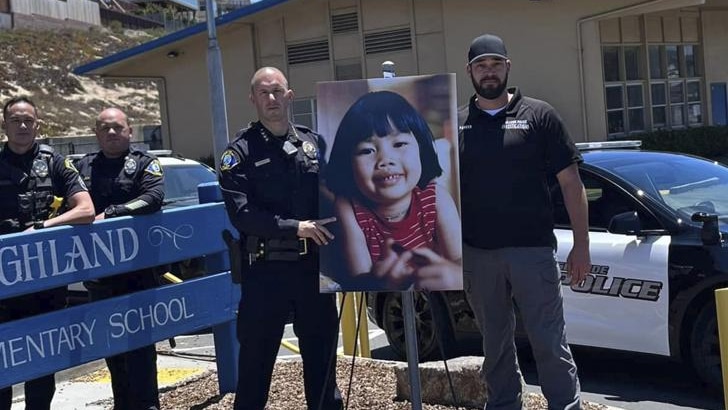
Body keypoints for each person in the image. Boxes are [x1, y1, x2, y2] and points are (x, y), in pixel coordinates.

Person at [459, 34, 591, 410]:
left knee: (548, 340)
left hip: (532, 252)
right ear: (470, 71)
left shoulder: (540, 116)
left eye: (495, 64)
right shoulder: (455, 124)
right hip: (478, 254)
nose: (489, 72)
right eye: (481, 66)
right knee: (495, 346)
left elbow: (571, 183)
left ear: (508, 67)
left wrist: (581, 246)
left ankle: (565, 405)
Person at [218, 66, 343, 410]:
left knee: (322, 366)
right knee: (256, 368)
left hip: (313, 269)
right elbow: (242, 215)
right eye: (263, 93)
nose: (271, 99)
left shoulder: (313, 143)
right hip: (265, 272)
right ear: (253, 100)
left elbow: (336, 196)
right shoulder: (239, 153)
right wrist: (295, 227)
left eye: (277, 91)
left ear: (290, 96)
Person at [0, 96, 95, 410]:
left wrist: (44, 225)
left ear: (37, 125)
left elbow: (86, 209)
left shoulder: (55, 162)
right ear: (5, 124)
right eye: (16, 120)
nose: (23, 125)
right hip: (3, 283)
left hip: (45, 280)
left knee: (42, 364)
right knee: (3, 363)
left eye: (28, 120)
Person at [325, 90, 462, 291]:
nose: (385, 160)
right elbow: (359, 279)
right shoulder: (348, 208)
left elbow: (459, 261)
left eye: (399, 144)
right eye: (367, 150)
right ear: (347, 164)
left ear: (422, 150)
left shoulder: (436, 199)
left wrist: (451, 275)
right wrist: (382, 282)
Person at [74, 107, 165, 410]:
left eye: (117, 127)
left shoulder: (144, 164)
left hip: (137, 273)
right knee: (112, 348)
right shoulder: (83, 167)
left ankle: (148, 404)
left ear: (129, 130)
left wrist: (113, 213)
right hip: (100, 274)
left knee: (140, 346)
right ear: (96, 133)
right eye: (104, 128)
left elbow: (152, 198)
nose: (111, 133)